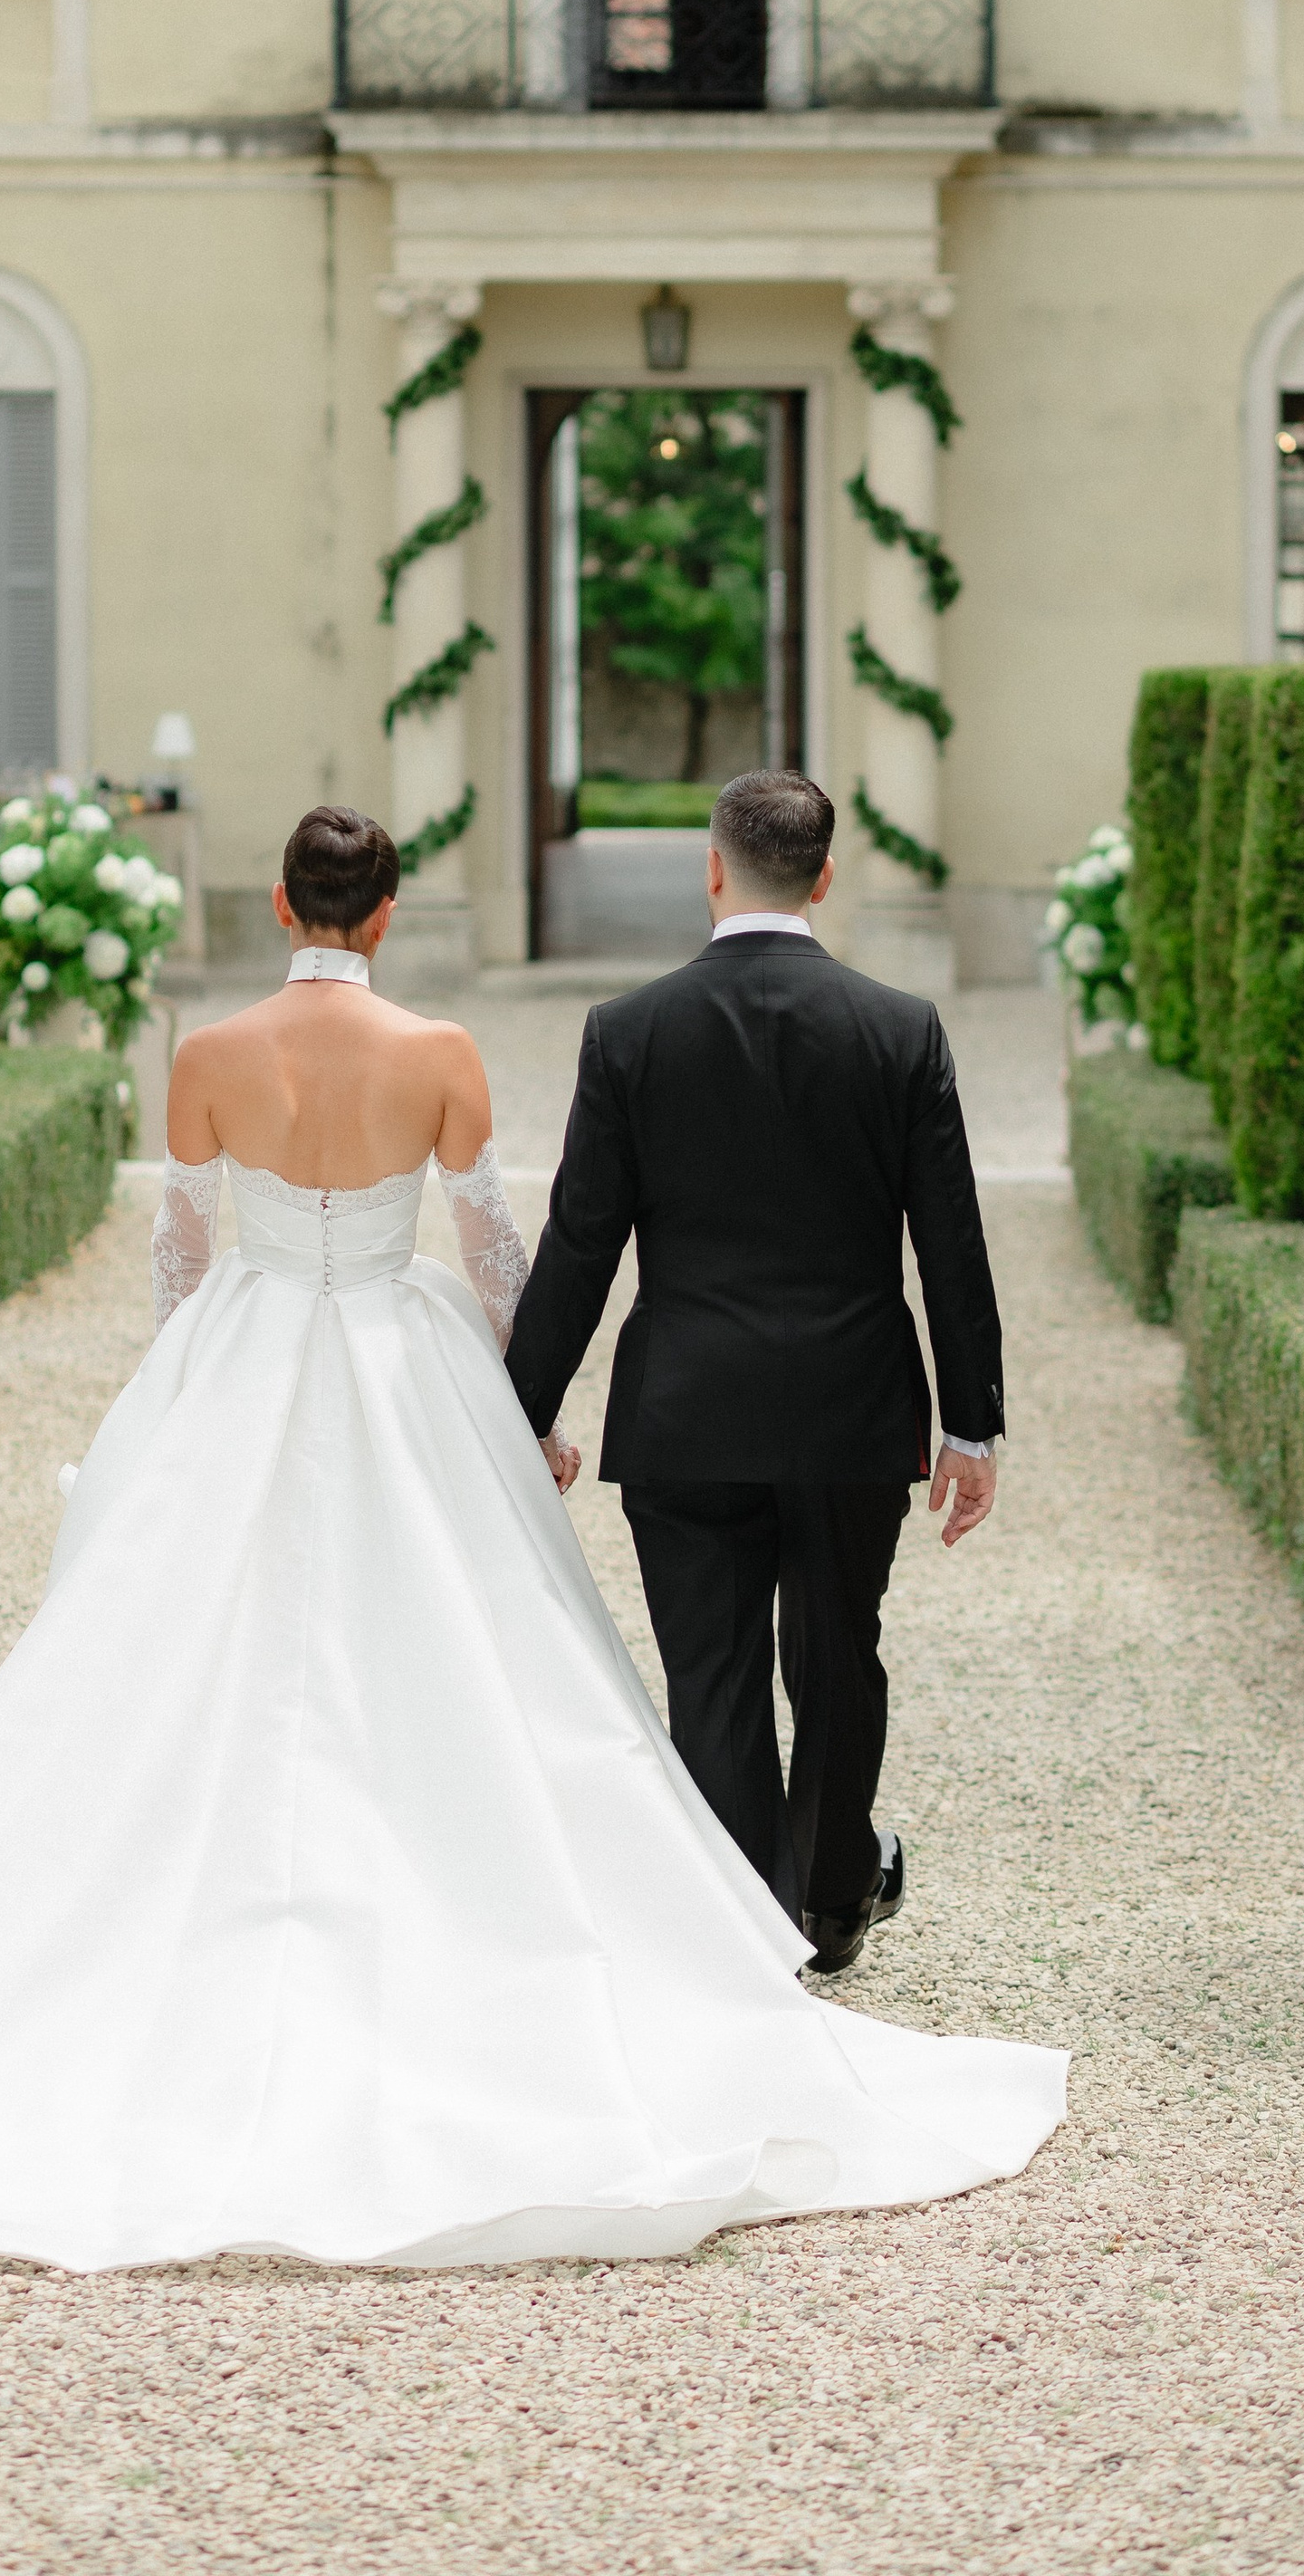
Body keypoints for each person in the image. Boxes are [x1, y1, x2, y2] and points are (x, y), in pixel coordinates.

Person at [0, 804, 1062, 2274]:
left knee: (217, 1650)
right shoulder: (442, 1051)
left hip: (252, 1357)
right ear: (383, 915)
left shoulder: (213, 1051)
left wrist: (184, 1390)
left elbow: (182, 1254)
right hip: (423, 1355)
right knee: (536, 1654)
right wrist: (523, 1413)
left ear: (290, 907)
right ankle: (739, 1912)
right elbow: (501, 1248)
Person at [507, 771, 1002, 1973]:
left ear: (712, 871)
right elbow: (950, 1240)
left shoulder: (629, 1032)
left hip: (688, 1410)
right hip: (851, 1410)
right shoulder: (900, 1030)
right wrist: (970, 1425)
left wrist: (521, 1410)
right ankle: (829, 1904)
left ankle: (738, 1925)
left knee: (713, 1674)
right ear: (824, 878)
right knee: (837, 1659)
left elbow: (582, 1241)